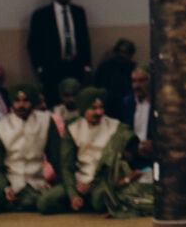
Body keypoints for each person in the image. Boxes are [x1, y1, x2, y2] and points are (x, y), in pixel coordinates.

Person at [60, 87, 154, 215]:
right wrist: (73, 194)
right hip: (80, 179)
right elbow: (66, 165)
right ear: (83, 108)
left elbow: (128, 153)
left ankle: (93, 198)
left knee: (98, 201)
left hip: (105, 181)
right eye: (93, 108)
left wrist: (93, 184)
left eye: (101, 107)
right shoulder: (73, 128)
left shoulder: (116, 127)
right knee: (47, 201)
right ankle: (82, 201)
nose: (99, 112)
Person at [0, 82, 66, 213]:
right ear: (12, 102)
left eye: (26, 101)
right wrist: (4, 187)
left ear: (33, 101)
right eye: (17, 101)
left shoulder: (46, 121)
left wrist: (65, 186)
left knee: (46, 202)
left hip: (37, 185)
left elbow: (57, 158)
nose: (21, 105)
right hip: (9, 184)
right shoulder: (0, 126)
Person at [27, 0, 91, 105]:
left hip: (75, 64)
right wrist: (39, 67)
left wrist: (87, 64)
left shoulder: (78, 12)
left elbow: (84, 39)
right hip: (52, 66)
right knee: (53, 99)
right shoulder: (42, 14)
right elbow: (33, 43)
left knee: (75, 99)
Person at [122, 66, 154, 168]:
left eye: (141, 81)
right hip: (133, 158)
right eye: (134, 81)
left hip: (153, 158)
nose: (136, 85)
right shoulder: (127, 102)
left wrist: (155, 145)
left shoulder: (157, 104)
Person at [93, 38, 137, 106]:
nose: (122, 55)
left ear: (131, 55)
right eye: (120, 51)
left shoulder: (134, 68)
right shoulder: (105, 67)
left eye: (125, 53)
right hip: (108, 103)